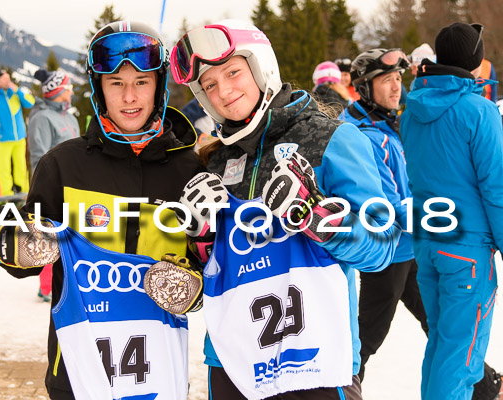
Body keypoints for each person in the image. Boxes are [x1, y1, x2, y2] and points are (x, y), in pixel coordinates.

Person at [149, 19, 401, 399]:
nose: (223, 92)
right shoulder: (215, 160)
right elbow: (209, 269)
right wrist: (200, 238)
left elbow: (382, 246)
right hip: (233, 365)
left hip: (316, 361)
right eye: (210, 85)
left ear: (261, 66)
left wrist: (315, 215)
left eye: (233, 72)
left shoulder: (332, 139)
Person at [0, 21, 205, 399]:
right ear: (99, 90)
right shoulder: (62, 166)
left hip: (159, 369)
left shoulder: (189, 171)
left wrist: (192, 289)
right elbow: (23, 257)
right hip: (77, 372)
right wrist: (18, 246)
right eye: (116, 84)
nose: (129, 97)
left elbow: (207, 265)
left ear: (160, 86)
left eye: (141, 82)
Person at [401, 22, 503, 400]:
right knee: (460, 358)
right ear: (476, 61)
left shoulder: (411, 110)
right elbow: (497, 188)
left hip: (428, 243)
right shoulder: (479, 110)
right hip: (467, 252)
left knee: (442, 347)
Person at [341, 48, 429, 382]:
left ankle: (484, 385)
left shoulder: (386, 125)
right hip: (387, 254)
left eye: (397, 78)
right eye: (386, 80)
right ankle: (340, 388)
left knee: (438, 320)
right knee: (365, 340)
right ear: (364, 87)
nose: (396, 87)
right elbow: (387, 205)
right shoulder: (365, 136)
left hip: (408, 249)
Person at [28, 68, 79, 303]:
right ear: (59, 91)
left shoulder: (71, 117)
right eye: (68, 87)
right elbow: (40, 156)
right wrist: (45, 188)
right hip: (55, 187)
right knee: (52, 236)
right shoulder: (42, 118)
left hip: (76, 185)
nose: (71, 91)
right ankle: (47, 286)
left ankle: (73, 280)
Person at [0, 68, 35, 196]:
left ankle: (24, 193)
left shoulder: (15, 93)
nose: (8, 81)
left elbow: (30, 103)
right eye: (5, 79)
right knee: (4, 169)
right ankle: (7, 195)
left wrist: (17, 90)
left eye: (8, 78)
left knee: (21, 167)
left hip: (20, 138)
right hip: (3, 139)